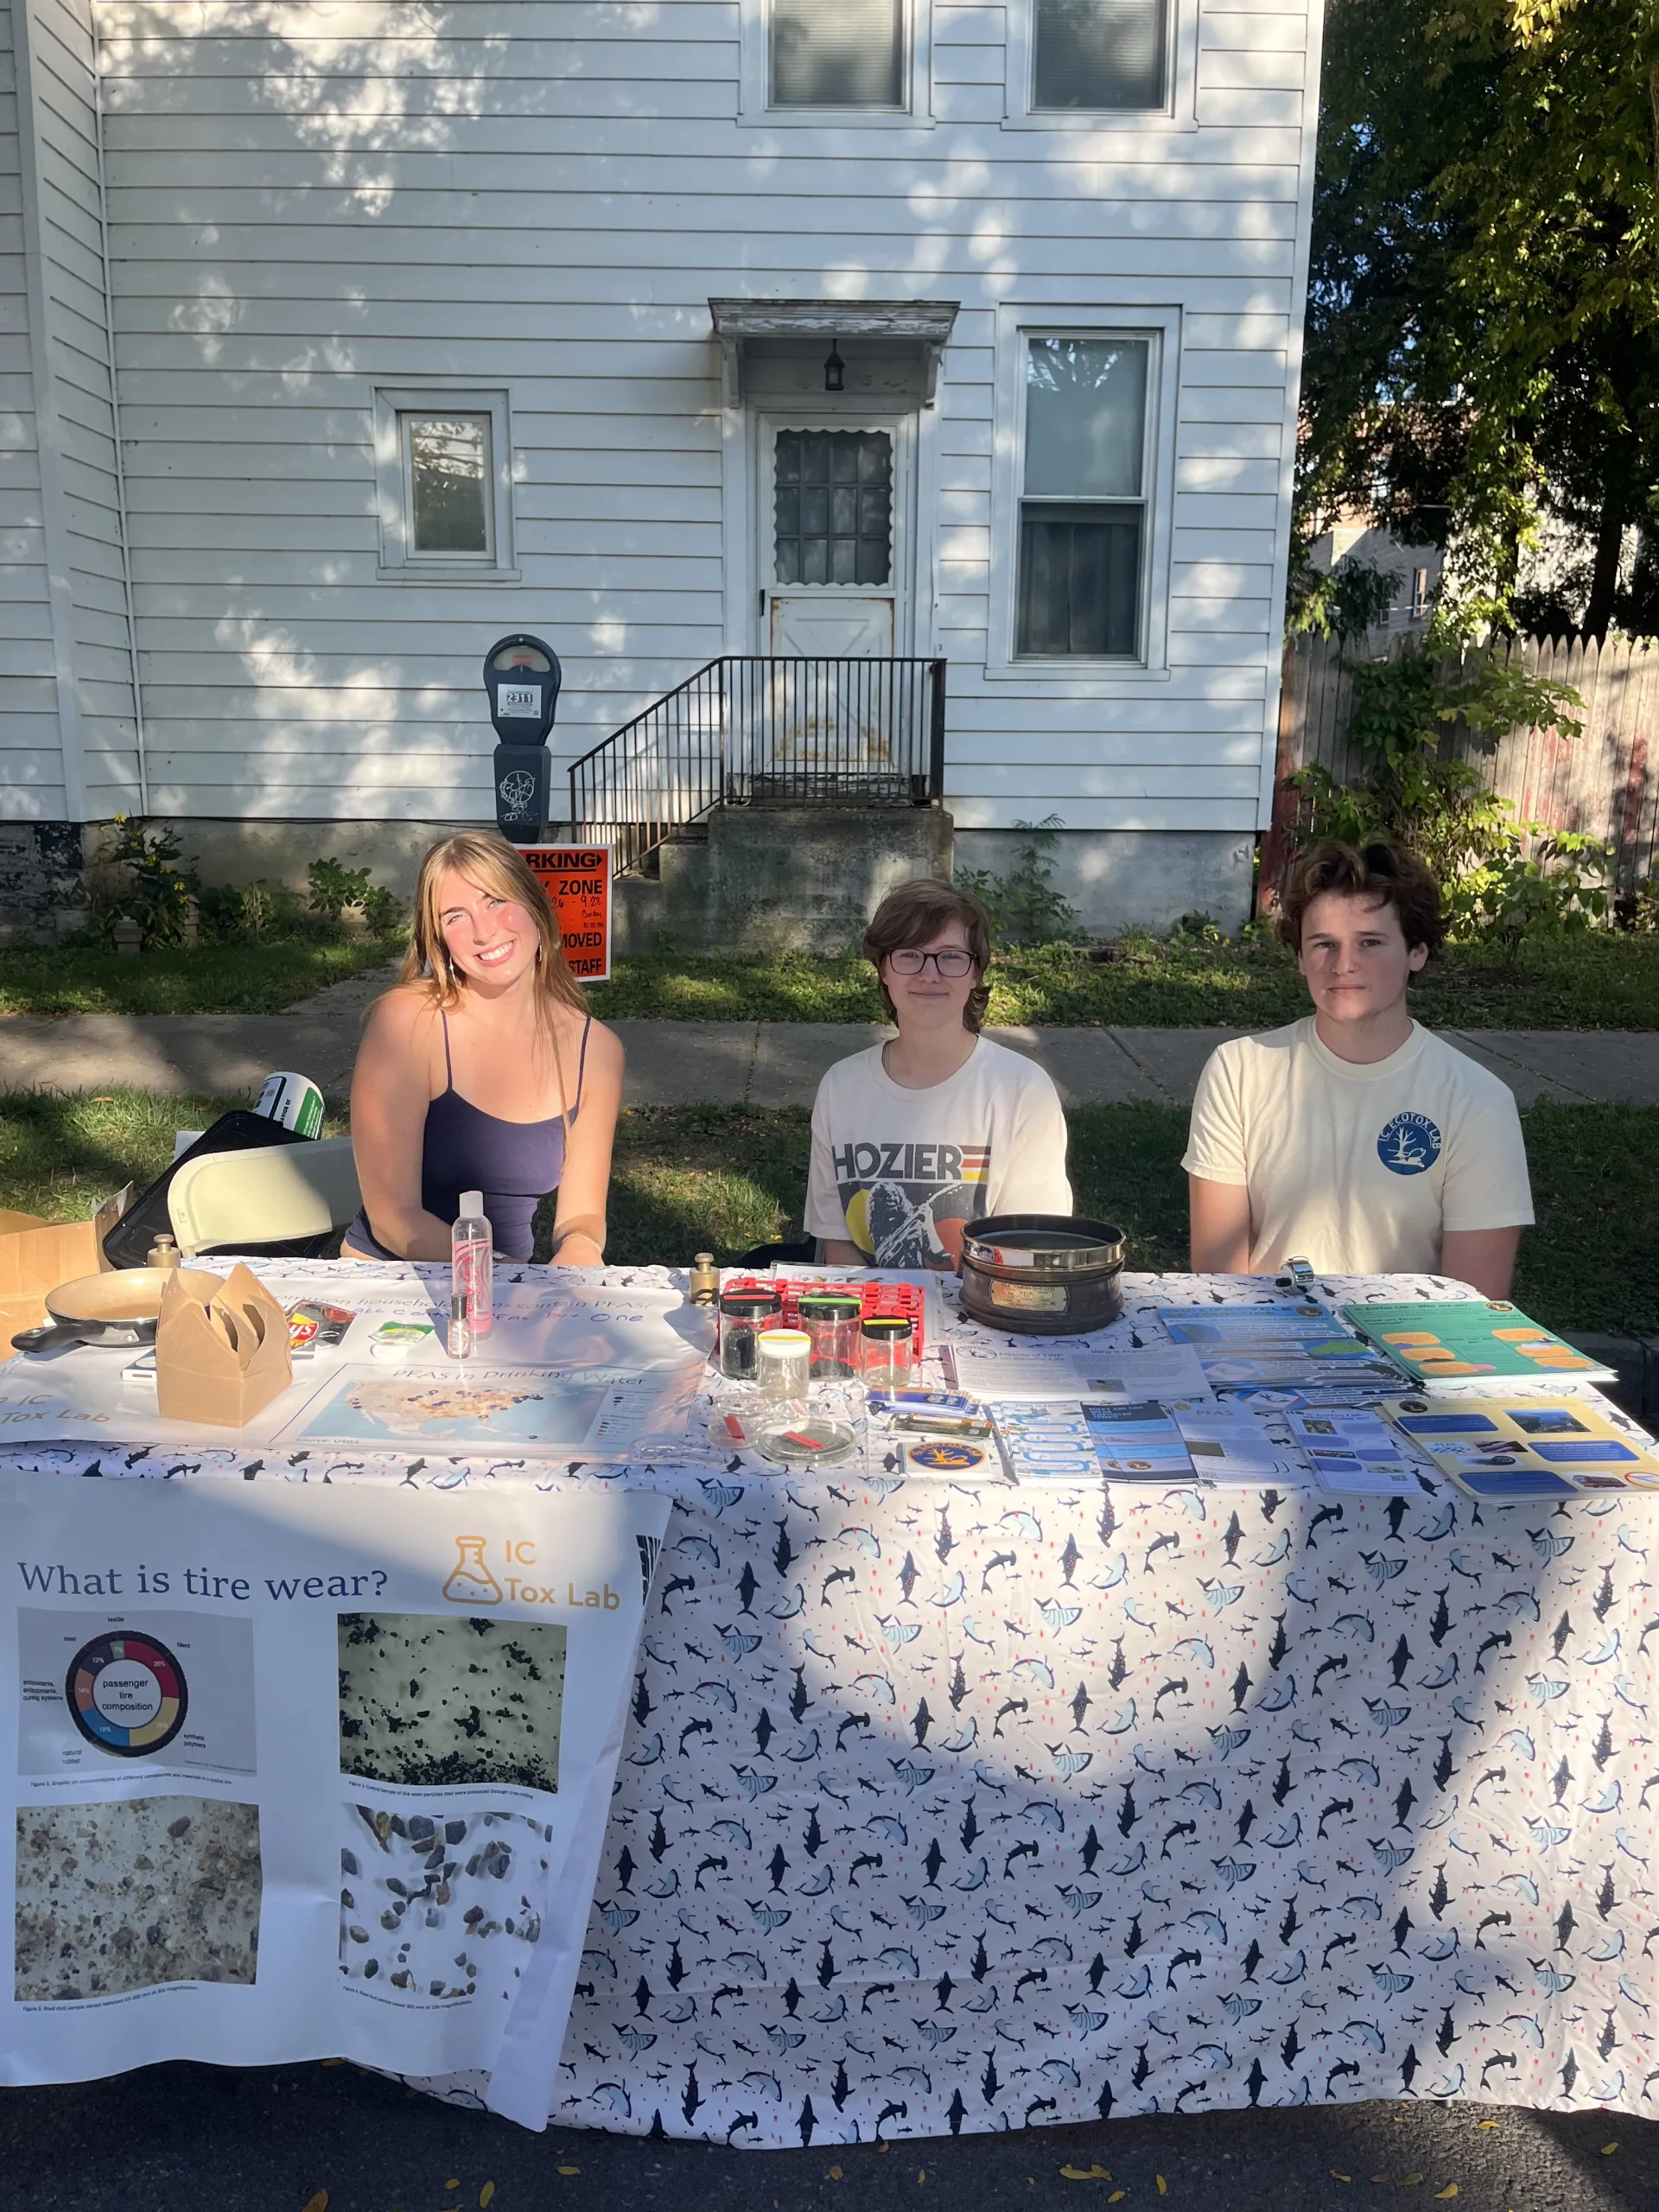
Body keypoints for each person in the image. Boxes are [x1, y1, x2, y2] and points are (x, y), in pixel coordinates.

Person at [1183, 838, 1532, 1294]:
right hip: (1265, 1349)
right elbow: (1218, 1284)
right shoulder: (1239, 1072)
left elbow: (1471, 1305)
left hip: (1413, 1353)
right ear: (1301, 959)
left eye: (1370, 942)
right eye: (1324, 944)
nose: (1343, 964)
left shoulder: (1477, 1101)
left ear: (1417, 952)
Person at [343, 831, 623, 1266]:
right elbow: (392, 1217)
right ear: (439, 940)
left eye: (495, 901)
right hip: (396, 1283)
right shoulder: (408, 1022)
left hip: (509, 1299)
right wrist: (501, 1275)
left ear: (534, 905)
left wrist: (579, 1250)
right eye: (455, 916)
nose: (483, 931)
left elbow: (583, 1215)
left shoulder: (598, 1050)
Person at [804, 878, 1071, 1270]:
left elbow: (1029, 1253)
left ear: (976, 973)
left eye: (950, 956)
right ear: (883, 970)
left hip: (985, 1319)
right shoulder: (841, 1087)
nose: (929, 974)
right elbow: (838, 1249)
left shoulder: (1022, 1090)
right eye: (909, 954)